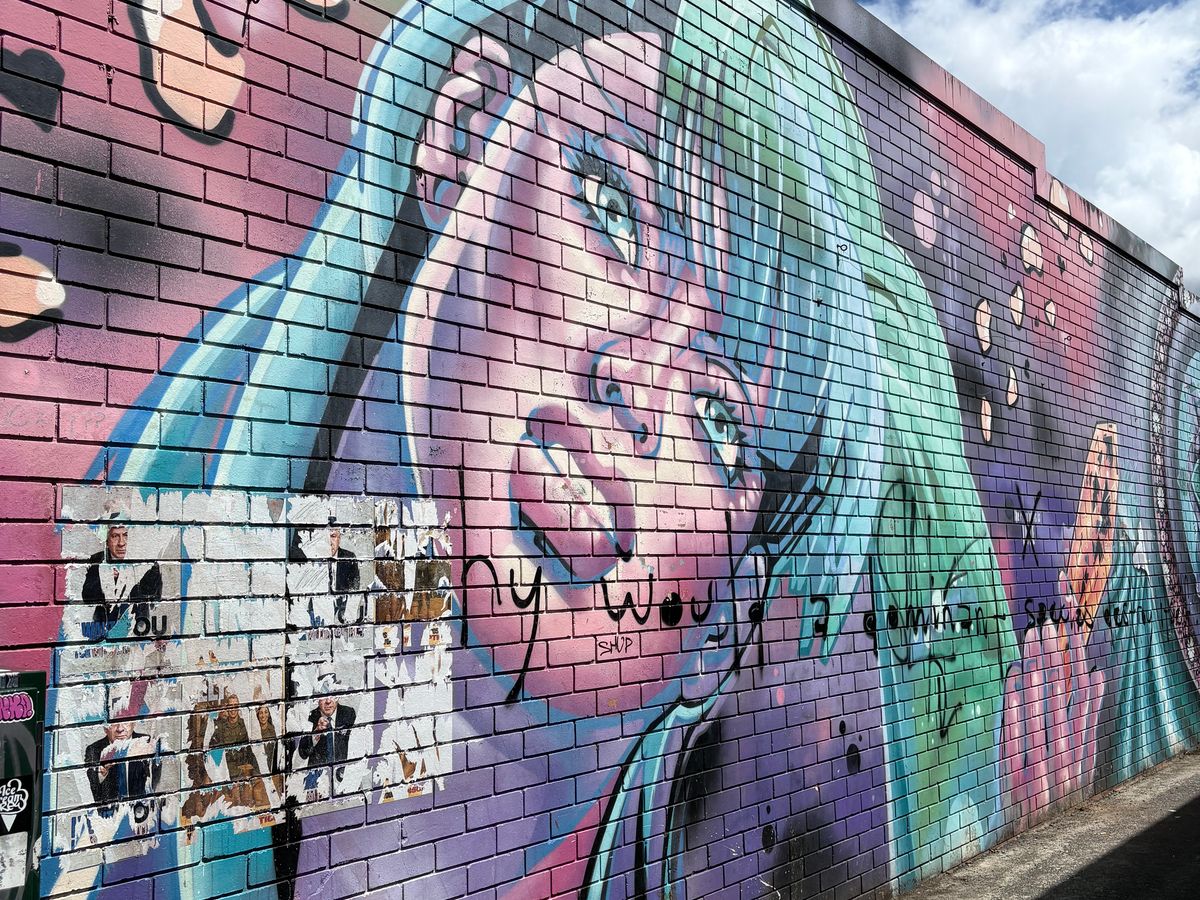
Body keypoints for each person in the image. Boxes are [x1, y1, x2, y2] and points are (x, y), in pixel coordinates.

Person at [71, 0, 1014, 896]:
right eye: (614, 208)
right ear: (463, 125)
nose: (636, 381)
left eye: (722, 424)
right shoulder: (179, 539)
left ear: (726, 622)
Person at [81, 519, 161, 641]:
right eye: (115, 536)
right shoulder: (97, 560)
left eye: (125, 535)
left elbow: (152, 594)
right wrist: (107, 578)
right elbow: (87, 597)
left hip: (136, 630)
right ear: (107, 541)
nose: (121, 543)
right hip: (103, 633)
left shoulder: (147, 563)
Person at [83, 720, 156, 806]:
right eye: (113, 723)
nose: (120, 729)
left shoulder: (146, 742)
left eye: (125, 721)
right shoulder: (94, 750)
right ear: (105, 728)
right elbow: (89, 789)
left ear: (134, 723)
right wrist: (102, 772)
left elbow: (156, 781)